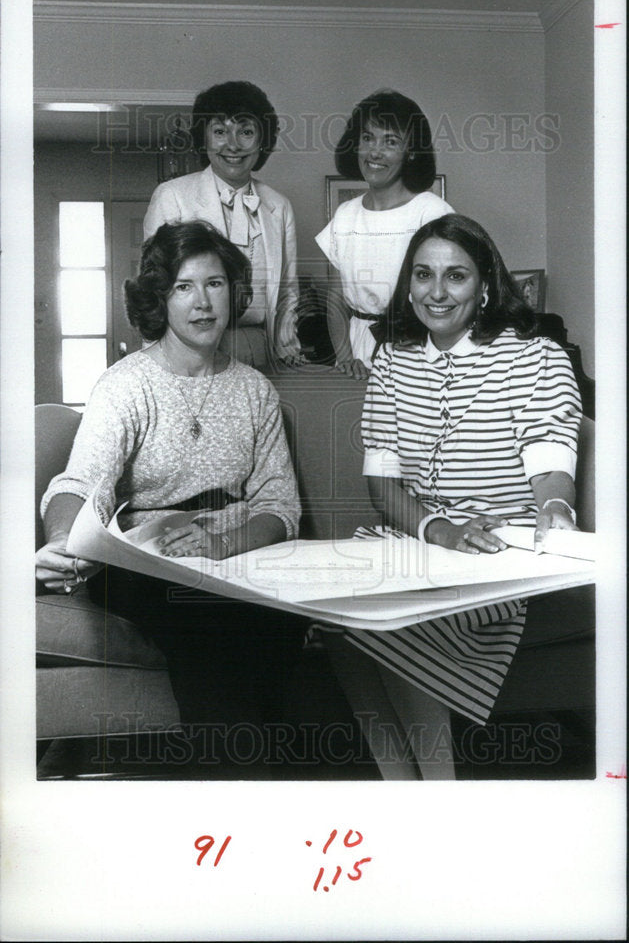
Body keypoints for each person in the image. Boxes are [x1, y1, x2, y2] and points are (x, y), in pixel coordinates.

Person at [325, 213, 583, 779]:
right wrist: (434, 529)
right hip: (416, 541)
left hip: (495, 555)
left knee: (401, 620)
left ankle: (440, 797)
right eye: (423, 275)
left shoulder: (535, 358)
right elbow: (384, 484)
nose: (436, 293)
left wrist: (556, 512)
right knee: (335, 622)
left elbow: (549, 466)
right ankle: (406, 790)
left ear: (485, 285)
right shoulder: (390, 361)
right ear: (408, 283)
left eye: (456, 277)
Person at [36, 221, 303, 734]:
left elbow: (280, 507)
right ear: (160, 298)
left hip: (235, 556)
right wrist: (64, 542)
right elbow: (80, 483)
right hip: (145, 564)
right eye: (184, 287)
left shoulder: (255, 390)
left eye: (215, 283)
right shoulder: (125, 386)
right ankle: (239, 790)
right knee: (207, 623)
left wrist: (222, 545)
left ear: (234, 291)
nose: (202, 302)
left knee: (279, 619)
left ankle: (258, 779)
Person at [144, 80, 304, 367]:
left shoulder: (279, 206)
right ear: (203, 138)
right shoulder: (173, 197)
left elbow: (288, 290)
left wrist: (287, 347)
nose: (232, 145)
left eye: (245, 131)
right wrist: (157, 363)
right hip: (189, 353)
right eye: (219, 131)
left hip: (260, 347)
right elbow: (153, 290)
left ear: (262, 140)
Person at [315, 89, 454, 378]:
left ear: (411, 151)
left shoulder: (431, 213)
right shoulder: (345, 215)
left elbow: (447, 298)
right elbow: (336, 301)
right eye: (367, 138)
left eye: (390, 141)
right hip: (356, 353)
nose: (374, 152)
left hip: (418, 352)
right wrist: (346, 359)